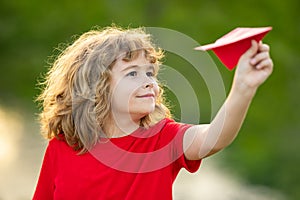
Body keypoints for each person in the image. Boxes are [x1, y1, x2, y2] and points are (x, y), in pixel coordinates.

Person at [33, 26, 273, 200]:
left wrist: (243, 86)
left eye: (150, 73)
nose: (149, 82)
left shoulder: (163, 139)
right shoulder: (62, 147)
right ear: (97, 87)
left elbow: (214, 137)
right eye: (132, 73)